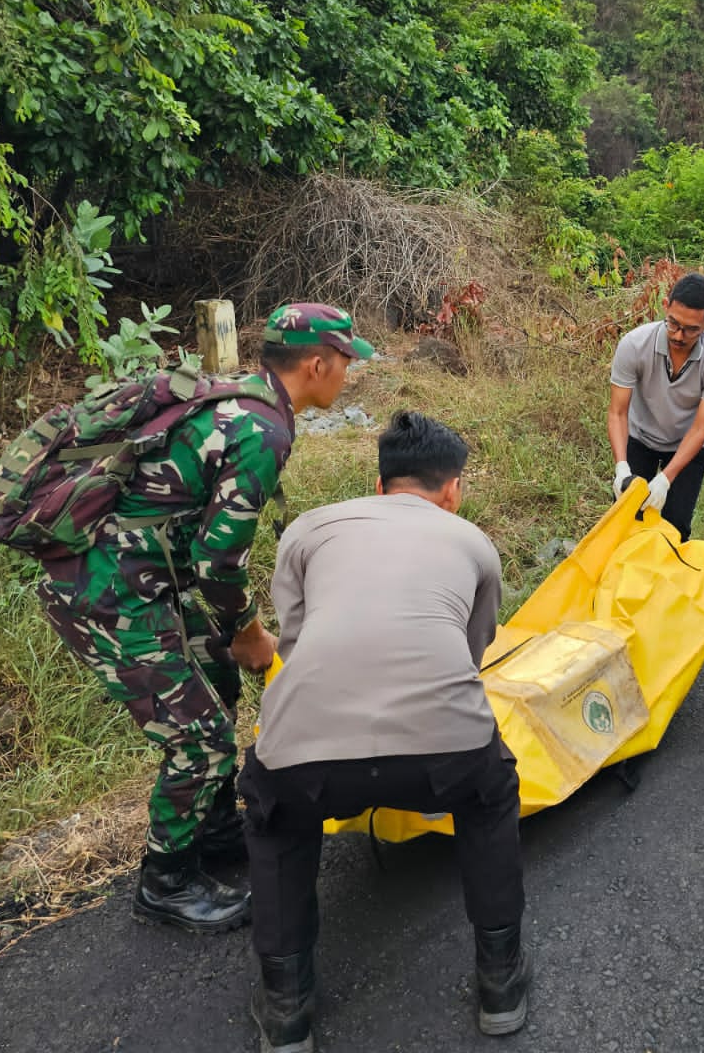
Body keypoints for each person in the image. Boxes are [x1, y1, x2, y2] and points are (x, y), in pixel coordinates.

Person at [36, 304, 372, 934]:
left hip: (146, 575)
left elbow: (196, 542)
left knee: (217, 681)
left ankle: (216, 831)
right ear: (318, 364)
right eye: (347, 363)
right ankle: (165, 884)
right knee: (200, 738)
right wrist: (250, 634)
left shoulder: (241, 399)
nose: (348, 376)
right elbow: (219, 562)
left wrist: (229, 644)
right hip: (108, 591)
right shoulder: (263, 430)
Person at [243, 412, 528, 1050]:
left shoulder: (308, 530)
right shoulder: (474, 543)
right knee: (490, 796)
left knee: (277, 817)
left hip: (306, 759)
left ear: (379, 482)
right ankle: (500, 984)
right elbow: (471, 652)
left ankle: (287, 1009)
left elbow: (294, 641)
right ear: (453, 489)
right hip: (443, 758)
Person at [608, 272, 704, 540]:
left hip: (688, 445)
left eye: (691, 330)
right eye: (673, 324)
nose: (678, 335)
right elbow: (618, 412)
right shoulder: (634, 345)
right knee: (625, 520)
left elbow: (701, 428)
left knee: (674, 529)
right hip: (640, 437)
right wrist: (621, 467)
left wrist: (666, 479)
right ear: (665, 306)